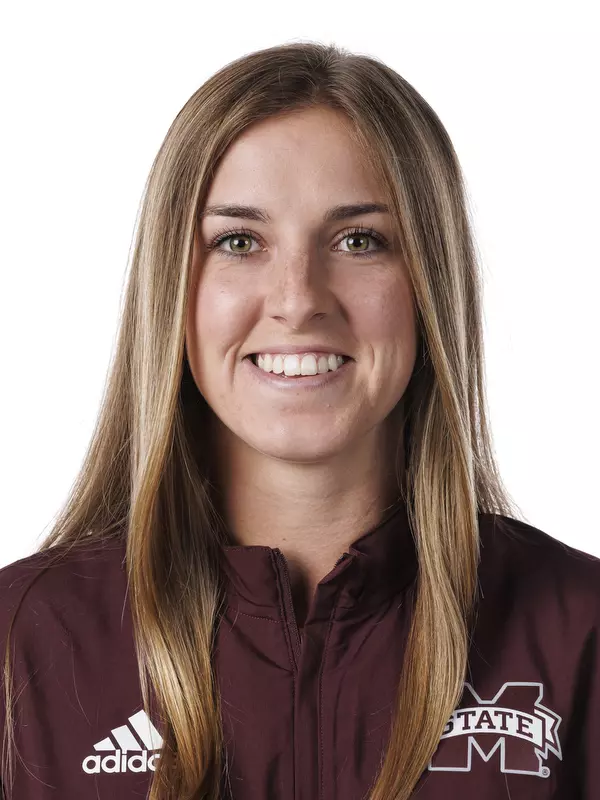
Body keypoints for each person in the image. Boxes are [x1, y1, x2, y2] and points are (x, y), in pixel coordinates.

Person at [1, 40, 599, 800]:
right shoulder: (23, 642)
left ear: (430, 287)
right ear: (172, 294)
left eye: (359, 241)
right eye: (239, 242)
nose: (298, 298)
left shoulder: (579, 633)